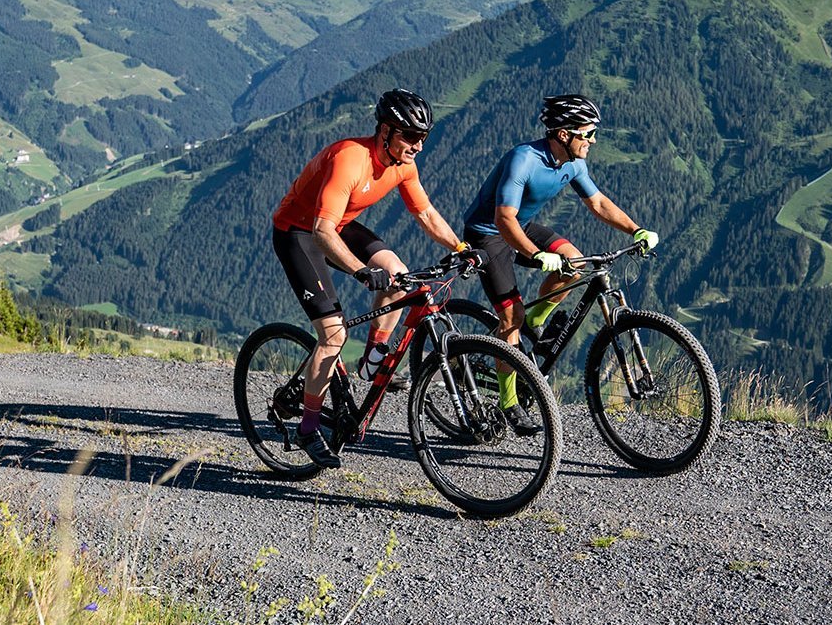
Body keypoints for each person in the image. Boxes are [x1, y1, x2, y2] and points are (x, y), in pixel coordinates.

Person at [270, 88, 478, 469]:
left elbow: (427, 214)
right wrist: (362, 272)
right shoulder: (350, 159)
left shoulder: (404, 165)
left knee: (400, 275)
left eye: (423, 137)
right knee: (333, 334)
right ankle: (308, 427)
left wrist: (460, 247)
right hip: (300, 233)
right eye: (410, 136)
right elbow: (321, 231)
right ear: (385, 131)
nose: (418, 145)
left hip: (340, 225)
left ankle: (372, 358)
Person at [459, 94, 659, 435]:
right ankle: (509, 403)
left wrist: (636, 229)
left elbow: (597, 203)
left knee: (575, 262)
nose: (594, 140)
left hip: (520, 226)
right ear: (564, 134)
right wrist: (537, 255)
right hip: (489, 233)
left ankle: (533, 324)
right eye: (588, 133)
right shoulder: (524, 159)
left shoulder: (573, 163)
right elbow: (503, 218)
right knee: (510, 317)